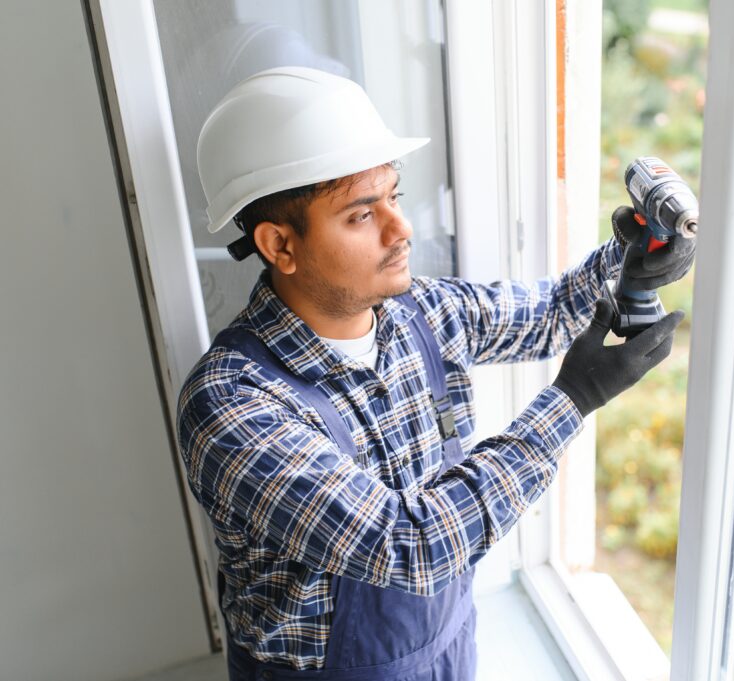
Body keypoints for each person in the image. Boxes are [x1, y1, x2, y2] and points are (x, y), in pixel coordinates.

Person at [176, 66, 693, 681]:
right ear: (279, 245)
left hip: (447, 653)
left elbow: (553, 314)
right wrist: (573, 399)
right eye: (361, 216)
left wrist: (628, 257)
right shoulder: (232, 405)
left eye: (393, 196)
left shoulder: (418, 310)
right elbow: (408, 545)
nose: (402, 228)